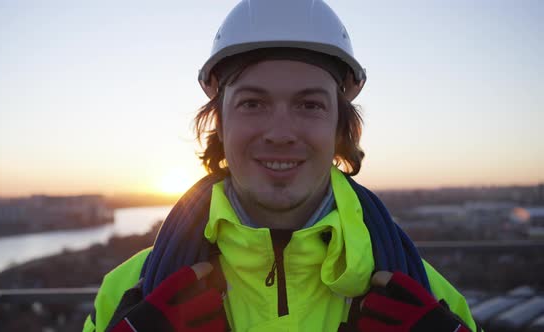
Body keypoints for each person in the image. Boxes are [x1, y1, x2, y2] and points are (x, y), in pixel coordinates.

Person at [83, 0, 482, 331]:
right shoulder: (128, 293)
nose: (280, 133)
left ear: (340, 129)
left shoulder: (430, 299)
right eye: (252, 103)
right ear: (220, 122)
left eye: (309, 105)